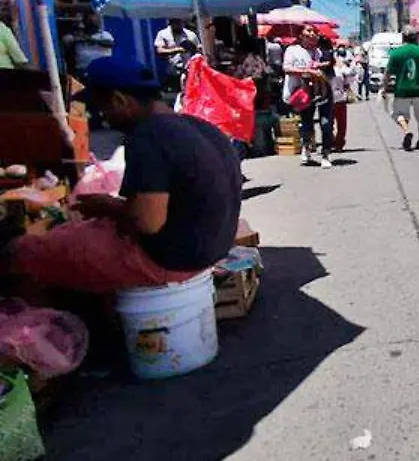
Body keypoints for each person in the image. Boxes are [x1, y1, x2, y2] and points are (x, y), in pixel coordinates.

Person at [2, 57, 241, 293]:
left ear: (119, 100)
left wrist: (109, 207)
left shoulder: (148, 137)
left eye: (101, 108)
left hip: (174, 261)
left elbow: (148, 223)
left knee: (28, 250)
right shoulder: (200, 126)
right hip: (212, 248)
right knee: (78, 236)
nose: (101, 117)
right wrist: (111, 206)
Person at [283, 27, 333, 169]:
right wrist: (307, 71)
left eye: (314, 33)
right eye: (308, 33)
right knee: (307, 123)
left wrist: (323, 66)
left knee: (326, 123)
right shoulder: (292, 50)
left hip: (323, 91)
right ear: (301, 36)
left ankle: (326, 154)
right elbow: (286, 69)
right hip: (304, 91)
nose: (312, 35)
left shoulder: (320, 51)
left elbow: (331, 67)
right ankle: (307, 147)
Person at [386, 27, 419, 151]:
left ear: (403, 37)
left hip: (401, 91)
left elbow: (388, 73)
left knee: (398, 114)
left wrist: (385, 87)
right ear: (416, 38)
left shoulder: (395, 53)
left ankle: (406, 130)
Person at [154, 18, 200, 93]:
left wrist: (193, 49)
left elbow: (198, 51)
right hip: (172, 73)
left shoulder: (190, 35)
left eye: (180, 22)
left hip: (189, 72)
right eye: (175, 22)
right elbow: (159, 50)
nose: (178, 24)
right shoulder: (163, 34)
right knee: (173, 97)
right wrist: (178, 50)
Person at [330, 51, 355, 152]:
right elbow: (351, 75)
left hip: (329, 99)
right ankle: (338, 143)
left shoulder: (324, 69)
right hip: (339, 98)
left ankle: (332, 141)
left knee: (329, 122)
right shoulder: (340, 68)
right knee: (341, 123)